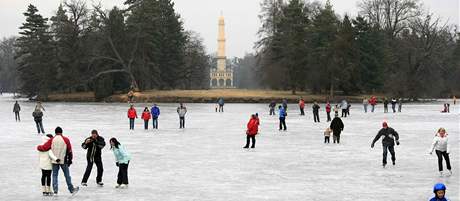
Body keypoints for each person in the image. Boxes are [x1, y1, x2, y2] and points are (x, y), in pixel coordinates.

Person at [37, 127, 79, 195]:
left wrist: (38, 147)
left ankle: (55, 190)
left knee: (55, 175)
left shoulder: (52, 139)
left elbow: (44, 147)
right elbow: (70, 151)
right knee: (67, 175)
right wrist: (70, 160)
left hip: (54, 161)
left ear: (55, 132)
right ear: (61, 132)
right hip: (63, 160)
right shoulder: (66, 139)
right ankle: (71, 189)